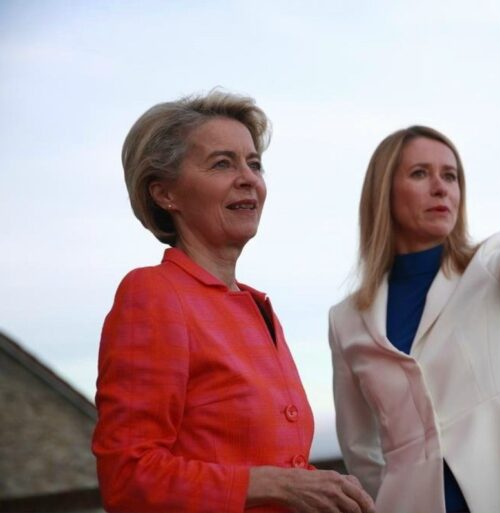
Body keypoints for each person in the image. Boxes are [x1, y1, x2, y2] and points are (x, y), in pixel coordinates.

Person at [92, 91, 375, 513]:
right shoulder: (152, 294)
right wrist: (276, 485)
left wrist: (324, 490)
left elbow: (271, 466)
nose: (248, 179)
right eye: (222, 163)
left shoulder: (260, 309)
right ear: (165, 194)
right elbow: (127, 477)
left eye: (254, 164)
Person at [329, 85, 500, 513]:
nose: (440, 188)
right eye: (420, 174)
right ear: (384, 192)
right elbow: (360, 448)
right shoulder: (346, 319)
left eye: (451, 175)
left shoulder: (493, 265)